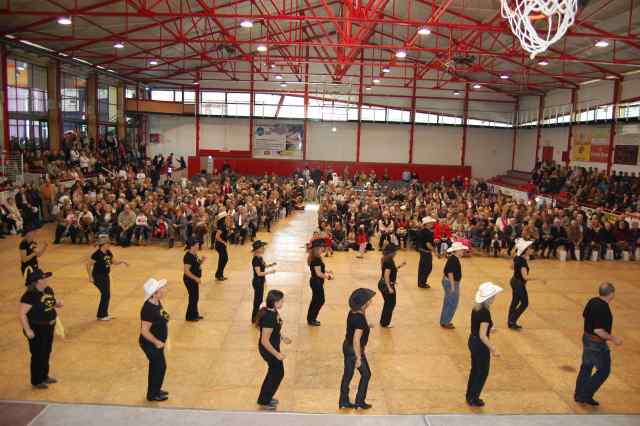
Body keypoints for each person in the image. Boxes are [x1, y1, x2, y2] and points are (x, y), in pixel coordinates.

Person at [574, 282, 623, 406]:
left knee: (586, 367)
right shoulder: (603, 309)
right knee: (604, 370)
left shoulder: (592, 301)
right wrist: (614, 339)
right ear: (611, 294)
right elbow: (598, 330)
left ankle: (579, 395)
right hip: (596, 344)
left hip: (586, 338)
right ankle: (585, 394)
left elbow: (585, 315)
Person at [19, 269, 63, 388]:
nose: (47, 279)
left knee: (46, 351)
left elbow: (50, 302)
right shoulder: (30, 295)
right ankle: (37, 380)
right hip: (36, 328)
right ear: (38, 281)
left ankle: (44, 376)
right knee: (38, 354)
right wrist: (28, 330)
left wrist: (57, 303)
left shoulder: (48, 289)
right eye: (44, 278)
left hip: (49, 326)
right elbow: (22, 314)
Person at [466, 282, 502, 407]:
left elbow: (478, 326)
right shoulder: (485, 313)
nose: (495, 297)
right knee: (482, 372)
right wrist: (493, 349)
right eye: (493, 296)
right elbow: (482, 335)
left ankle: (470, 396)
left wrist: (490, 328)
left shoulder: (476, 307)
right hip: (480, 345)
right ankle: (474, 398)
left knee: (475, 370)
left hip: (472, 340)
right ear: (489, 298)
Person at [339, 288, 376, 410]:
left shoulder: (353, 312)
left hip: (346, 346)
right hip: (354, 350)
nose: (370, 301)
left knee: (347, 375)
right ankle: (360, 402)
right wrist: (359, 358)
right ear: (363, 304)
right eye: (368, 300)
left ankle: (343, 401)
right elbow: (356, 340)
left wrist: (367, 326)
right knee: (366, 374)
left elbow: (356, 326)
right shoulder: (359, 319)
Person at [255, 290, 292, 410]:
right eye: (281, 301)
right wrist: (276, 354)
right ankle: (264, 401)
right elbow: (264, 341)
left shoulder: (272, 310)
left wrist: (282, 337)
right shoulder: (269, 317)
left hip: (273, 347)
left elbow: (275, 328)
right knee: (276, 374)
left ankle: (266, 398)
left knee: (274, 373)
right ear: (275, 302)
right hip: (269, 350)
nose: (283, 303)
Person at [139, 278, 170, 402]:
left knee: (158, 367)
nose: (164, 289)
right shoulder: (148, 309)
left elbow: (161, 314)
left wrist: (165, 317)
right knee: (159, 367)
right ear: (155, 293)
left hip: (157, 343)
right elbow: (144, 331)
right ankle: (152, 395)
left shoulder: (156, 302)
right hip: (150, 344)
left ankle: (156, 390)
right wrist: (157, 342)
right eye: (161, 288)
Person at [86, 235, 129, 321]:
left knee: (106, 294)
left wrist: (122, 261)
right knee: (106, 294)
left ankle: (103, 314)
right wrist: (90, 277)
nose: (109, 245)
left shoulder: (108, 252)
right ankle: (102, 315)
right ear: (103, 245)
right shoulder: (97, 254)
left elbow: (113, 262)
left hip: (105, 276)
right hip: (98, 276)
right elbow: (88, 265)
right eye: (108, 244)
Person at [440, 241, 469, 329]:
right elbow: (450, 273)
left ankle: (444, 320)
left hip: (449, 282)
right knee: (452, 303)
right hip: (451, 283)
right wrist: (453, 287)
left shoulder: (453, 258)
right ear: (457, 251)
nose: (463, 251)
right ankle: (446, 322)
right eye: (462, 250)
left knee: (448, 301)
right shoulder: (453, 260)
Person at [378, 243, 406, 328]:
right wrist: (389, 287)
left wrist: (400, 266)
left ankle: (383, 321)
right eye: (395, 252)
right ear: (391, 252)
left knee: (388, 303)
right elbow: (386, 275)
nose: (396, 253)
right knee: (391, 304)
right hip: (386, 285)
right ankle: (385, 323)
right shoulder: (389, 261)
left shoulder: (385, 259)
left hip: (382, 284)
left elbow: (390, 270)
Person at [508, 239, 533, 330]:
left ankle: (510, 322)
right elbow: (525, 277)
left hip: (514, 281)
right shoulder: (522, 261)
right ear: (526, 250)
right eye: (530, 248)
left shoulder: (518, 258)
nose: (532, 250)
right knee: (524, 303)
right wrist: (538, 278)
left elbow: (511, 267)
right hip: (519, 284)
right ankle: (512, 320)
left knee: (515, 302)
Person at [307, 239, 333, 326]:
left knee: (315, 300)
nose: (323, 248)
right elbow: (318, 273)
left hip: (315, 281)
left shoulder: (314, 257)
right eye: (322, 247)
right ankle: (312, 319)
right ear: (317, 248)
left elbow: (318, 269)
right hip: (316, 282)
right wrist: (328, 277)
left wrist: (327, 271)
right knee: (320, 300)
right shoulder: (317, 259)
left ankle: (310, 318)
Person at [251, 240, 276, 323]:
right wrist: (270, 272)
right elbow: (258, 273)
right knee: (257, 301)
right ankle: (254, 318)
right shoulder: (255, 260)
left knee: (260, 300)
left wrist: (270, 265)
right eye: (262, 247)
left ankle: (257, 317)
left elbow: (264, 265)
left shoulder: (260, 257)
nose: (264, 249)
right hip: (257, 282)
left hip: (260, 281)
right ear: (257, 249)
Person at [183, 239, 205, 322]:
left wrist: (202, 260)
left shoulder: (194, 254)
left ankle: (195, 314)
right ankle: (189, 316)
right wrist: (195, 278)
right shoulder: (188, 257)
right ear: (192, 246)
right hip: (190, 280)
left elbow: (196, 264)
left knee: (195, 297)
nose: (198, 245)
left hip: (194, 280)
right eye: (197, 244)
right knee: (193, 298)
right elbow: (186, 271)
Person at [416, 216, 436, 289]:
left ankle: (420, 282)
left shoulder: (422, 231)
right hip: (426, 252)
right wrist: (435, 251)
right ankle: (422, 283)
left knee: (422, 267)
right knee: (428, 268)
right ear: (427, 224)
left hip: (422, 251)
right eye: (431, 222)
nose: (432, 223)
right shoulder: (428, 232)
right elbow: (428, 244)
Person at [214, 211, 229, 281]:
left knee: (222, 260)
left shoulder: (223, 225)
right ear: (224, 218)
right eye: (227, 217)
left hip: (221, 245)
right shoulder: (222, 226)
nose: (228, 218)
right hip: (220, 245)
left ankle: (219, 275)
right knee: (224, 259)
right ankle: (219, 274)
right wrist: (224, 242)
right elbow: (217, 236)